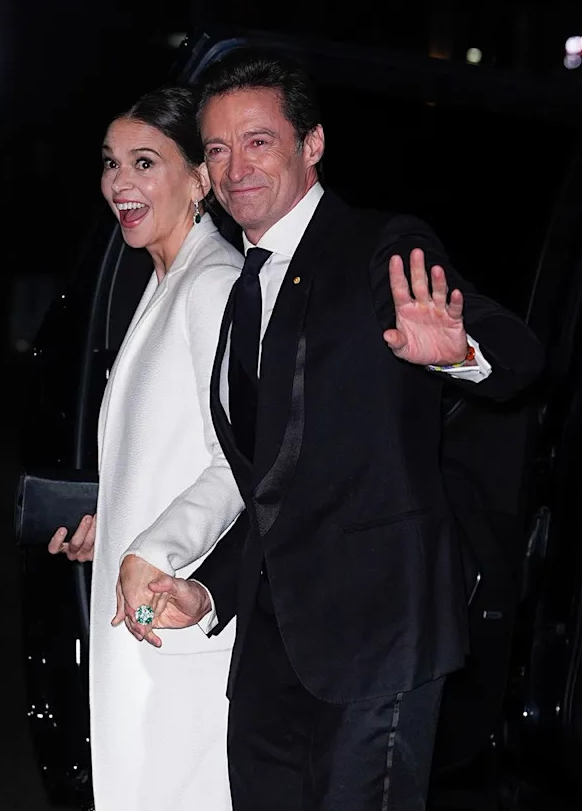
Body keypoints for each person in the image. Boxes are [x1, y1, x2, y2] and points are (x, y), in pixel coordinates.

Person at [124, 50, 545, 810]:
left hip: (378, 641)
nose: (236, 168)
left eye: (258, 141)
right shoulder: (239, 284)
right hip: (269, 651)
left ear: (311, 144)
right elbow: (272, 481)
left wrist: (461, 353)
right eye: (217, 149)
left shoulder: (378, 246)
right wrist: (210, 589)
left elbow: (519, 357)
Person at [47, 86, 244, 811]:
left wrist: (154, 546)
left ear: (199, 178)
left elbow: (239, 465)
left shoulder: (213, 284)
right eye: (110, 163)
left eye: (144, 162)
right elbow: (169, 454)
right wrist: (113, 526)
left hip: (176, 618)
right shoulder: (162, 281)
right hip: (140, 614)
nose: (119, 183)